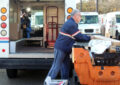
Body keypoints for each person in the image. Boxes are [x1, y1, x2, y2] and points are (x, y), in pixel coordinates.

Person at [44, 9, 92, 85]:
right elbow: (79, 36)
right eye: (80, 16)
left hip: (65, 49)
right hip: (61, 48)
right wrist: (89, 38)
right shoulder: (71, 24)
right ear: (75, 16)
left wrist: (87, 37)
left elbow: (77, 35)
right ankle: (47, 82)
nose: (80, 18)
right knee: (56, 66)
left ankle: (65, 82)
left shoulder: (72, 23)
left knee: (65, 67)